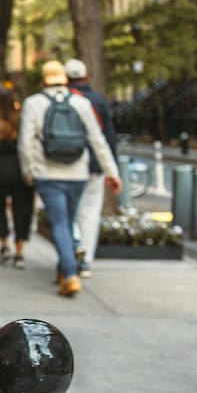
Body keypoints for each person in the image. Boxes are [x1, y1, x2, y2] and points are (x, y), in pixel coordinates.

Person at [18, 61, 121, 297]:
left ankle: (69, 273)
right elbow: (98, 140)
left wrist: (29, 171)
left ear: (44, 80)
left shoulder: (33, 103)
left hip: (48, 174)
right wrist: (112, 173)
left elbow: (25, 143)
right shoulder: (81, 103)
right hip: (78, 174)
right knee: (69, 220)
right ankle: (63, 269)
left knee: (61, 223)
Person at [65, 56, 118, 275]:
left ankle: (75, 245)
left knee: (69, 212)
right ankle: (85, 258)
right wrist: (111, 170)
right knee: (89, 213)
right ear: (86, 76)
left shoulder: (65, 99)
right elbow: (107, 137)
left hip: (68, 164)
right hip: (95, 165)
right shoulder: (98, 100)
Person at [0, 87, 32, 267]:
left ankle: (4, 245)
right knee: (23, 209)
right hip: (20, 167)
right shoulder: (21, 120)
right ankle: (19, 251)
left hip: (0, 168)